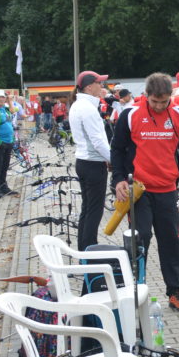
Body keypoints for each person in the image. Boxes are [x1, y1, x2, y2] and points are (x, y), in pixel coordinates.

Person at [111, 72, 179, 311]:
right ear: (145, 96)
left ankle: (177, 291)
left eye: (164, 101)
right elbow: (117, 150)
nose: (159, 106)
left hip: (168, 189)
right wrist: (118, 180)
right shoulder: (130, 115)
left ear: (170, 97)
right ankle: (135, 290)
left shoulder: (178, 114)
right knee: (141, 239)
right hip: (139, 190)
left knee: (171, 240)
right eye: (154, 101)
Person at [70, 71, 112, 251]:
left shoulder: (79, 105)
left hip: (84, 161)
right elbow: (98, 141)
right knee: (94, 212)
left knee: (87, 210)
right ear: (89, 86)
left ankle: (84, 251)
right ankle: (90, 253)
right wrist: (113, 160)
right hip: (93, 163)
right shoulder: (87, 108)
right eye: (99, 83)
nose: (102, 87)